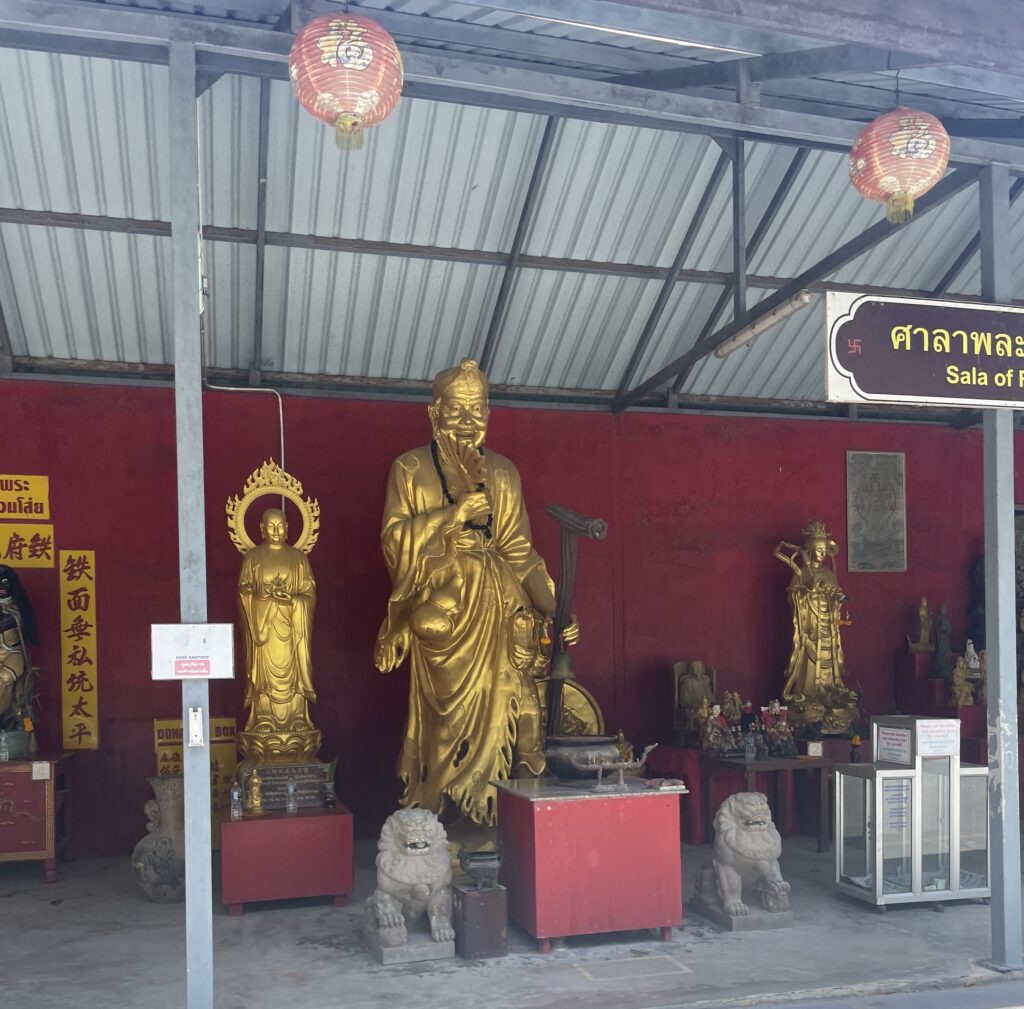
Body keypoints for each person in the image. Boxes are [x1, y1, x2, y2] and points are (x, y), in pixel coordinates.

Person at [375, 359, 575, 828]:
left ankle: (491, 818)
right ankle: (439, 814)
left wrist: (555, 609)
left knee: (510, 700)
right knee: (445, 727)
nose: (468, 422)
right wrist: (452, 517)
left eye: (478, 410)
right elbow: (393, 541)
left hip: (499, 609)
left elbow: (520, 553)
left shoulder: (503, 473)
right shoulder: (409, 468)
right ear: (433, 413)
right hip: (442, 609)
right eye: (456, 410)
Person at [237, 507, 318, 753]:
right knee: (264, 678)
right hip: (265, 634)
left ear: (288, 528)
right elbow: (244, 592)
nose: (275, 531)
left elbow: (309, 595)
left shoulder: (299, 559)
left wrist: (291, 601)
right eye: (270, 526)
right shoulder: (253, 557)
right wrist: (265, 601)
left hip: (293, 632)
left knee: (293, 678)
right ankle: (263, 720)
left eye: (280, 526)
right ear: (261, 529)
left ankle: (297, 721)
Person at [774, 521, 852, 730]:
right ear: (809, 549)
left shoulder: (828, 573)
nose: (821, 554)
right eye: (817, 550)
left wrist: (837, 597)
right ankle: (807, 696)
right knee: (809, 663)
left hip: (827, 626)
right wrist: (807, 591)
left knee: (829, 661)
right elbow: (793, 596)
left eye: (824, 550)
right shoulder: (802, 571)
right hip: (810, 628)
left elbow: (835, 594)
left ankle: (830, 692)